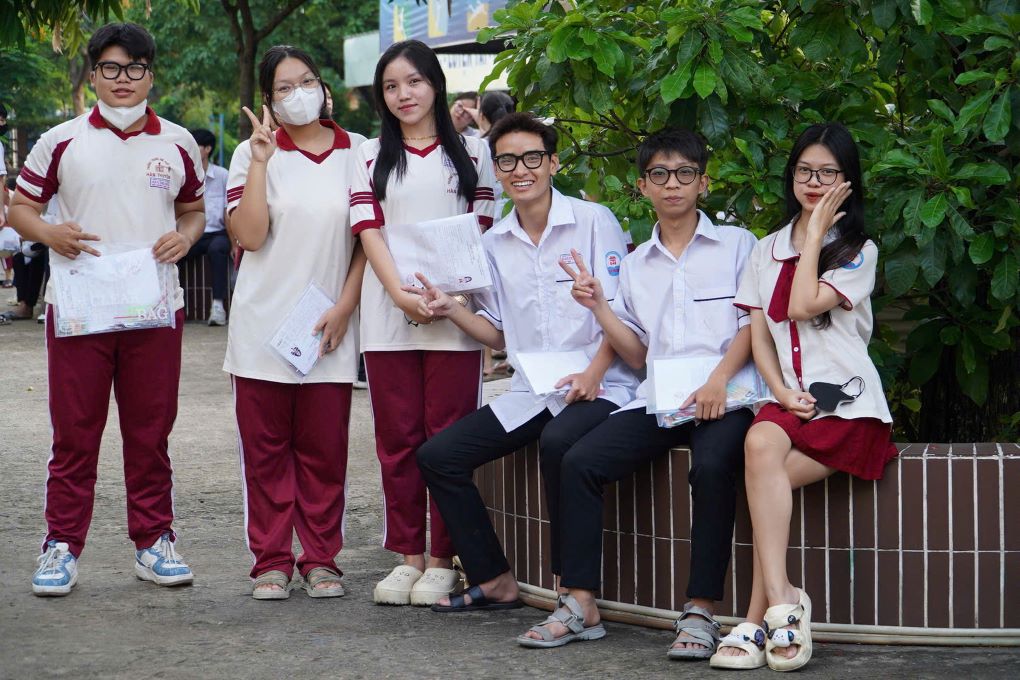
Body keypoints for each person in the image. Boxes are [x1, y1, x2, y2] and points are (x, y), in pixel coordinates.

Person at [521, 128, 757, 654]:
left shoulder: (739, 245)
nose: (672, 184)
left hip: (729, 394)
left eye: (684, 174)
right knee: (580, 461)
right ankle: (581, 603)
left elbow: (752, 325)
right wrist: (600, 307)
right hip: (662, 395)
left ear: (704, 182)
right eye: (659, 174)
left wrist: (719, 379)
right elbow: (636, 355)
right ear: (642, 186)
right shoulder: (635, 263)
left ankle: (700, 612)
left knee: (713, 466)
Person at [9, 22, 205, 596]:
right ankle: (61, 546)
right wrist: (49, 232)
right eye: (113, 68)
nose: (125, 80)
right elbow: (20, 207)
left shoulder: (177, 141)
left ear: (151, 73)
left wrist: (186, 237)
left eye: (136, 68)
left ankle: (153, 542)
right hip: (79, 310)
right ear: (93, 73)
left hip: (153, 309)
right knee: (75, 432)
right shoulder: (61, 140)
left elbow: (192, 209)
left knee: (150, 430)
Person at [413, 112, 638, 614]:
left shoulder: (592, 221)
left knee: (561, 442)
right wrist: (452, 309)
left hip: (605, 383)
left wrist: (594, 372)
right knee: (438, 457)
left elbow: (622, 314)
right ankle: (494, 579)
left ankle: (569, 588)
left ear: (553, 162)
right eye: (507, 160)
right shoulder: (494, 243)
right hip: (533, 390)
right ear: (496, 169)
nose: (521, 170)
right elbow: (497, 332)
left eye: (532, 158)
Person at [712, 122, 897, 672]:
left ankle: (759, 616)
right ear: (791, 174)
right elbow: (761, 331)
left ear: (847, 181)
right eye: (805, 170)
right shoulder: (765, 249)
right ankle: (784, 607)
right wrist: (778, 391)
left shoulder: (859, 250)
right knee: (759, 443)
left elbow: (800, 306)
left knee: (759, 483)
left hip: (847, 407)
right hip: (790, 400)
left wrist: (815, 234)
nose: (814, 181)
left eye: (828, 173)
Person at [349, 39, 495, 607]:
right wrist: (400, 296)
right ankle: (408, 555)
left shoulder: (474, 153)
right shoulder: (366, 156)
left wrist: (446, 299)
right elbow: (369, 232)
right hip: (389, 315)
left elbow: (478, 230)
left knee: (447, 436)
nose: (403, 94)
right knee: (397, 438)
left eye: (413, 81)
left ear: (434, 83)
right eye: (391, 86)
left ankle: (444, 557)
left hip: (454, 314)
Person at [225, 45, 366, 600]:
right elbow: (251, 235)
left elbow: (366, 241)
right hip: (263, 328)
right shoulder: (249, 154)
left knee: (324, 453)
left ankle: (322, 559)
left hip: (327, 328)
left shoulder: (359, 151)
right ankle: (271, 560)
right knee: (265, 454)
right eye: (284, 88)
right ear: (268, 100)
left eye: (306, 80)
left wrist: (346, 306)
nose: (298, 93)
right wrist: (261, 160)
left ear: (324, 86)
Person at [182, 128, 230, 325]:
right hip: (193, 234)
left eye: (196, 145)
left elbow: (228, 210)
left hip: (217, 233)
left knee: (218, 249)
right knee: (173, 253)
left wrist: (235, 243)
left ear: (208, 149)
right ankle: (174, 307)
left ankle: (218, 307)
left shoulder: (222, 175)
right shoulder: (183, 174)